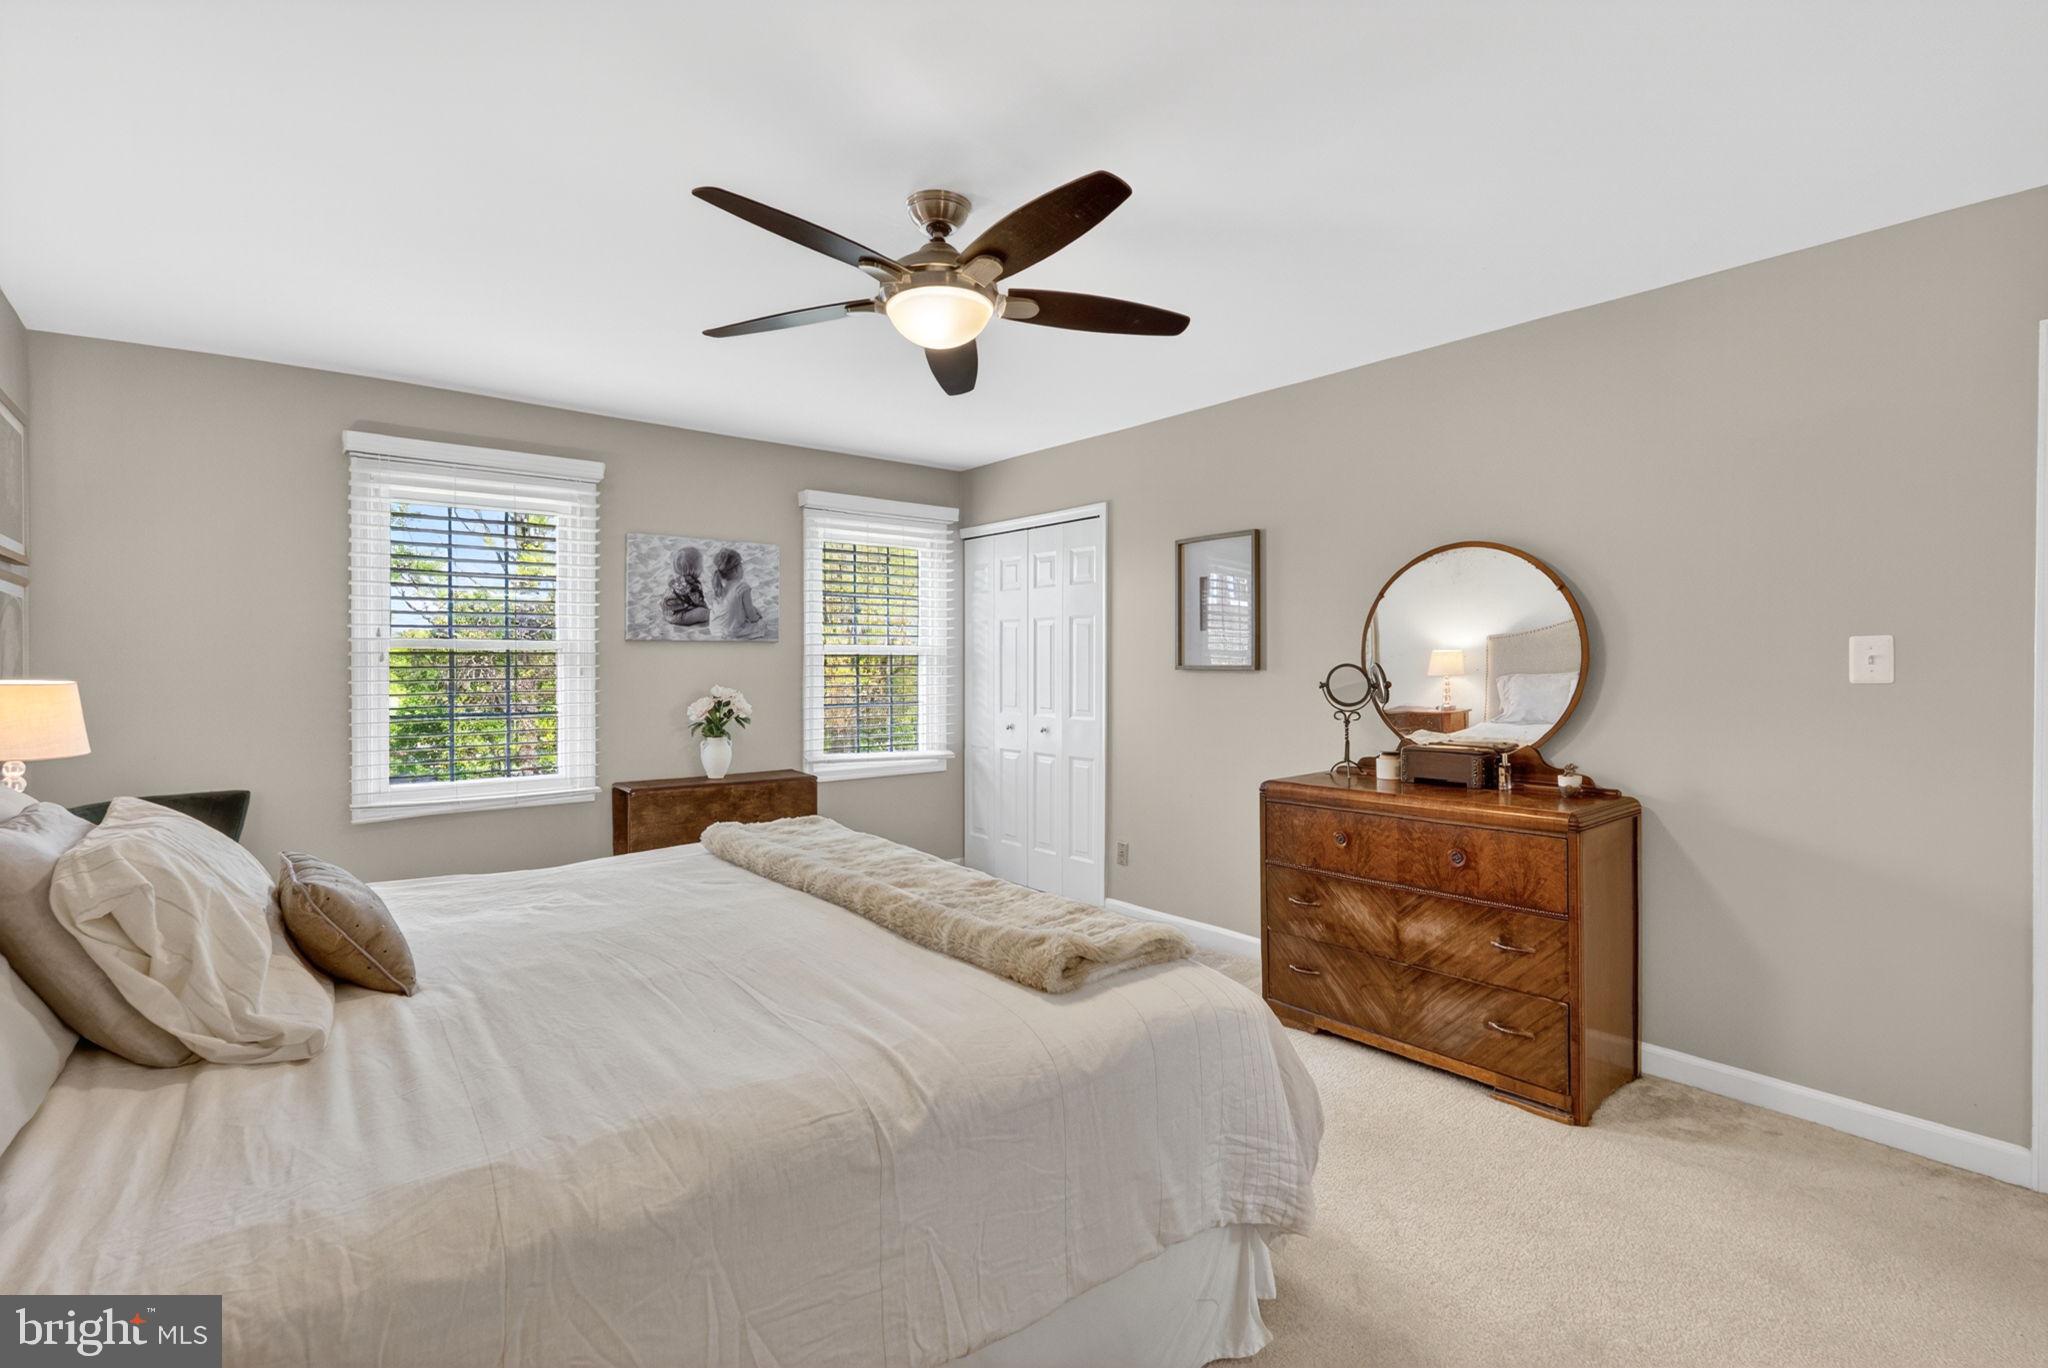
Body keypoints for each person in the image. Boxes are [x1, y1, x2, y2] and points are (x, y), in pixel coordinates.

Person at [711, 545, 766, 639]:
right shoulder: (743, 587)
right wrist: (758, 618)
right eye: (741, 565)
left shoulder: (719, 586)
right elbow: (751, 615)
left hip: (715, 629)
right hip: (731, 632)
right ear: (736, 569)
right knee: (762, 624)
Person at [662, 546, 708, 626]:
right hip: (679, 616)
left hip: (668, 612)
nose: (702, 569)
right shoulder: (692, 584)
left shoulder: (677, 580)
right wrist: (704, 606)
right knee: (704, 613)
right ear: (693, 569)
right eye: (700, 566)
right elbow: (697, 602)